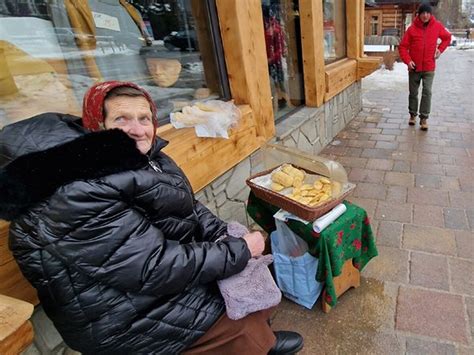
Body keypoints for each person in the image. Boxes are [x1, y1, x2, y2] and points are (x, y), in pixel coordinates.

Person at [0, 81, 304, 354]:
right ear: (97, 124)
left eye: (144, 118)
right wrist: (238, 251)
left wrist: (224, 234)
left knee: (253, 271)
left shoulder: (141, 155)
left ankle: (264, 341)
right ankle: (255, 342)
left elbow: (189, 208)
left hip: (142, 285)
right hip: (119, 313)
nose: (137, 129)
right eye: (121, 119)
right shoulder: (75, 191)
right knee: (234, 317)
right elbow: (153, 267)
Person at [398, 3, 451, 131]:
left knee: (427, 92)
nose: (425, 15)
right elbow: (403, 47)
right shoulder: (411, 29)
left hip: (429, 67)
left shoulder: (437, 26)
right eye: (423, 13)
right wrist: (408, 61)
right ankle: (412, 115)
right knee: (413, 93)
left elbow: (447, 38)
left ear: (430, 14)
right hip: (414, 67)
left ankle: (424, 118)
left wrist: (440, 50)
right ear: (419, 14)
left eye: (428, 13)